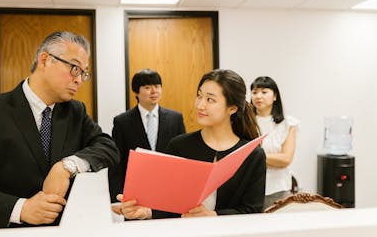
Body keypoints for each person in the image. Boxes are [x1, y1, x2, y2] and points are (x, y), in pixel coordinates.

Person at [0, 31, 119, 229]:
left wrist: (67, 166)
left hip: (63, 236)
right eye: (74, 68)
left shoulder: (74, 112)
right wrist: (22, 208)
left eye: (83, 73)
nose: (79, 79)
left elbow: (108, 147)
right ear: (45, 60)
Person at [113, 69, 266, 219]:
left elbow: (252, 210)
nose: (200, 105)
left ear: (232, 108)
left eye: (210, 99)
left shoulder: (252, 154)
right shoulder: (179, 146)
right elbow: (168, 203)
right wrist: (146, 212)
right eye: (199, 96)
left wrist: (213, 215)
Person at [108, 69, 186, 202]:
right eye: (147, 87)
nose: (154, 91)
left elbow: (183, 157)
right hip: (135, 191)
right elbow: (117, 162)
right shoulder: (122, 122)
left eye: (157, 86)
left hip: (169, 189)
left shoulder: (175, 118)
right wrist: (116, 197)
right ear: (136, 92)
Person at [250, 76, 299, 209]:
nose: (258, 96)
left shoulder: (288, 123)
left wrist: (255, 157)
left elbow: (286, 159)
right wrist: (272, 159)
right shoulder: (246, 123)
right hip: (250, 188)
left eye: (264, 92)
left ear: (275, 96)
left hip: (278, 188)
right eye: (254, 92)